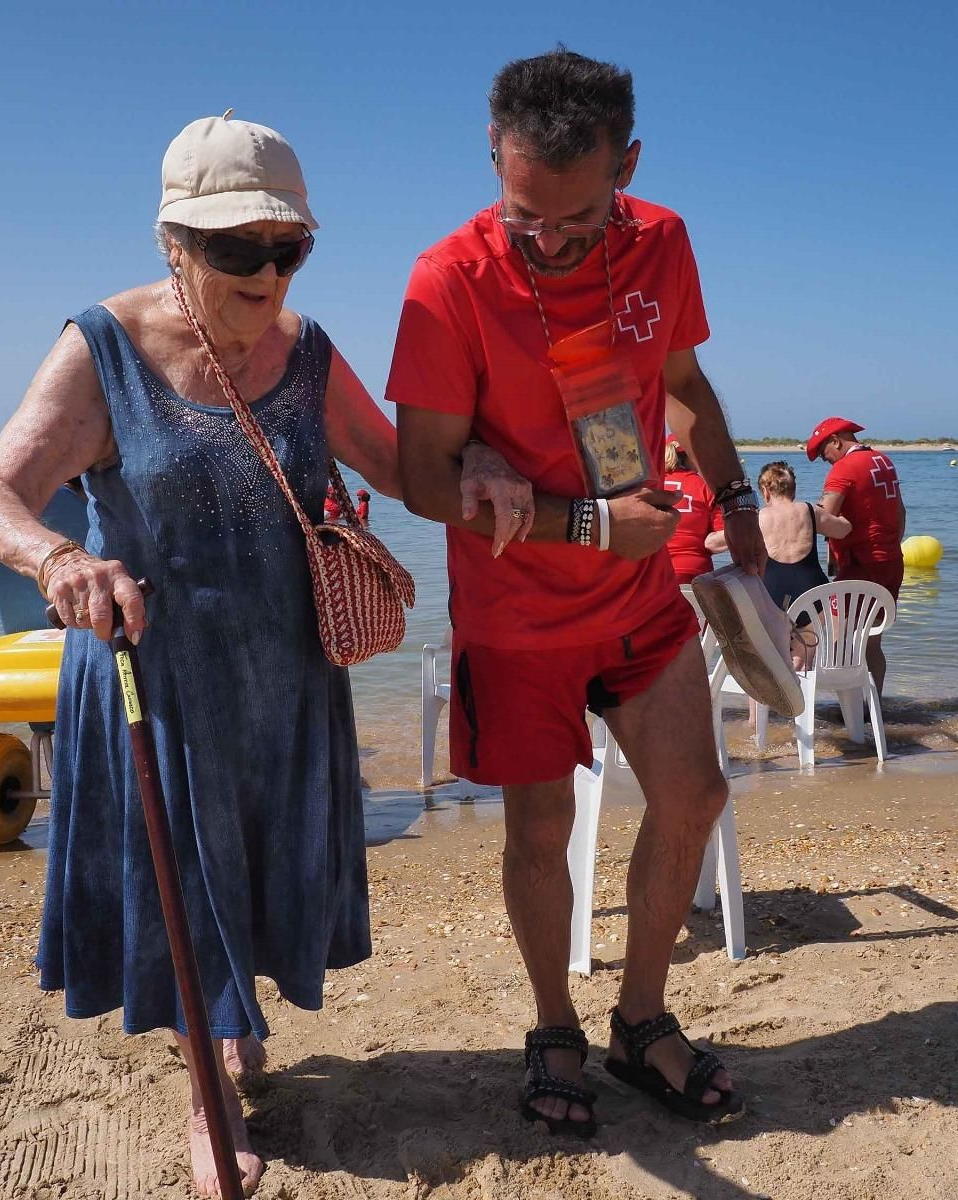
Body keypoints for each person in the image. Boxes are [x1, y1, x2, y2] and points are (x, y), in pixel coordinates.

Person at [0, 114, 530, 1197]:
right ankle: (206, 1096)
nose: (267, 273)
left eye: (288, 248)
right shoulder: (103, 350)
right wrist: (58, 559)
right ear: (175, 241)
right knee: (186, 878)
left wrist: (486, 460)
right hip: (155, 678)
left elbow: (403, 465)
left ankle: (234, 1021)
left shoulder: (305, 352)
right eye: (237, 250)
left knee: (255, 872)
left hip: (286, 676)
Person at [392, 48, 768, 1135]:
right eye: (525, 217)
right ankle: (553, 1022)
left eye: (576, 218)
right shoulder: (446, 280)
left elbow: (684, 388)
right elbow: (423, 476)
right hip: (516, 617)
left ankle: (640, 1020)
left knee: (694, 797)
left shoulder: (663, 242)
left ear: (627, 165)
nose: (548, 241)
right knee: (540, 829)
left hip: (643, 596)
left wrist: (735, 499)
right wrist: (593, 522)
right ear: (493, 159)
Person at [807, 416, 905, 693]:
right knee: (872, 640)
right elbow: (900, 513)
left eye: (824, 453)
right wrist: (889, 545)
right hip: (890, 561)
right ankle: (872, 705)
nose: (826, 461)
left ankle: (850, 712)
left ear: (836, 441)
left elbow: (825, 516)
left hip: (860, 565)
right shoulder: (884, 461)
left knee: (840, 639)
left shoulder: (844, 468)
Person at [756, 460, 851, 614]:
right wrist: (844, 514)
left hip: (771, 595)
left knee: (775, 636)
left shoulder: (758, 517)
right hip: (813, 595)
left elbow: (718, 543)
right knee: (810, 637)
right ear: (793, 490)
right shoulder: (809, 510)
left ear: (765, 491)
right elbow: (843, 530)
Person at [662, 435, 727, 583]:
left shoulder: (653, 485)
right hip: (695, 572)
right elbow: (722, 537)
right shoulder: (705, 487)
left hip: (656, 571)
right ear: (691, 457)